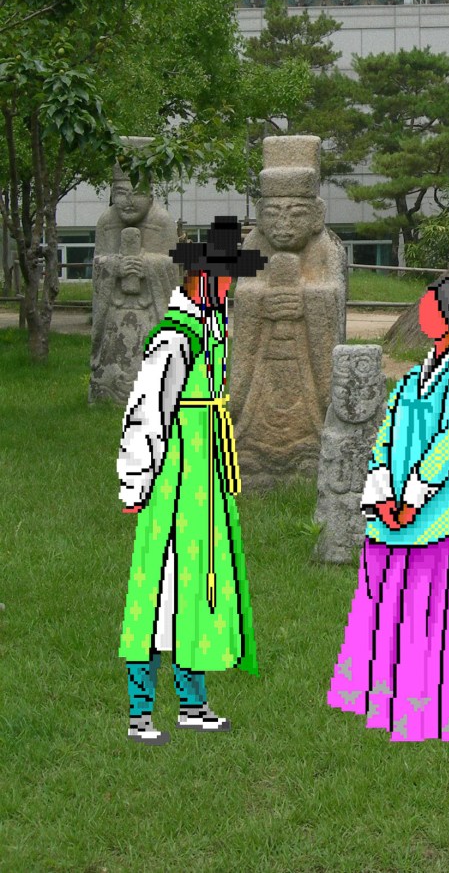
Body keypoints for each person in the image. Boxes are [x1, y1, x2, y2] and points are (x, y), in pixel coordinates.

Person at [327, 277, 449, 744]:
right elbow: (388, 434)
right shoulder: (413, 378)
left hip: (447, 501)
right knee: (394, 592)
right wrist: (382, 491)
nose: (423, 314)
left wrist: (415, 493)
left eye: (431, 308)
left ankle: (444, 697)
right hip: (398, 495)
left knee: (444, 596)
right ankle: (392, 686)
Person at [117, 215, 267, 745]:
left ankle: (192, 704)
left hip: (205, 479)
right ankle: (139, 712)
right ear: (201, 279)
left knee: (201, 585)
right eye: (224, 280)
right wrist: (136, 480)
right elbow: (148, 409)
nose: (229, 289)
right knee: (160, 587)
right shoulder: (174, 339)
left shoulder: (210, 328)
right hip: (176, 478)